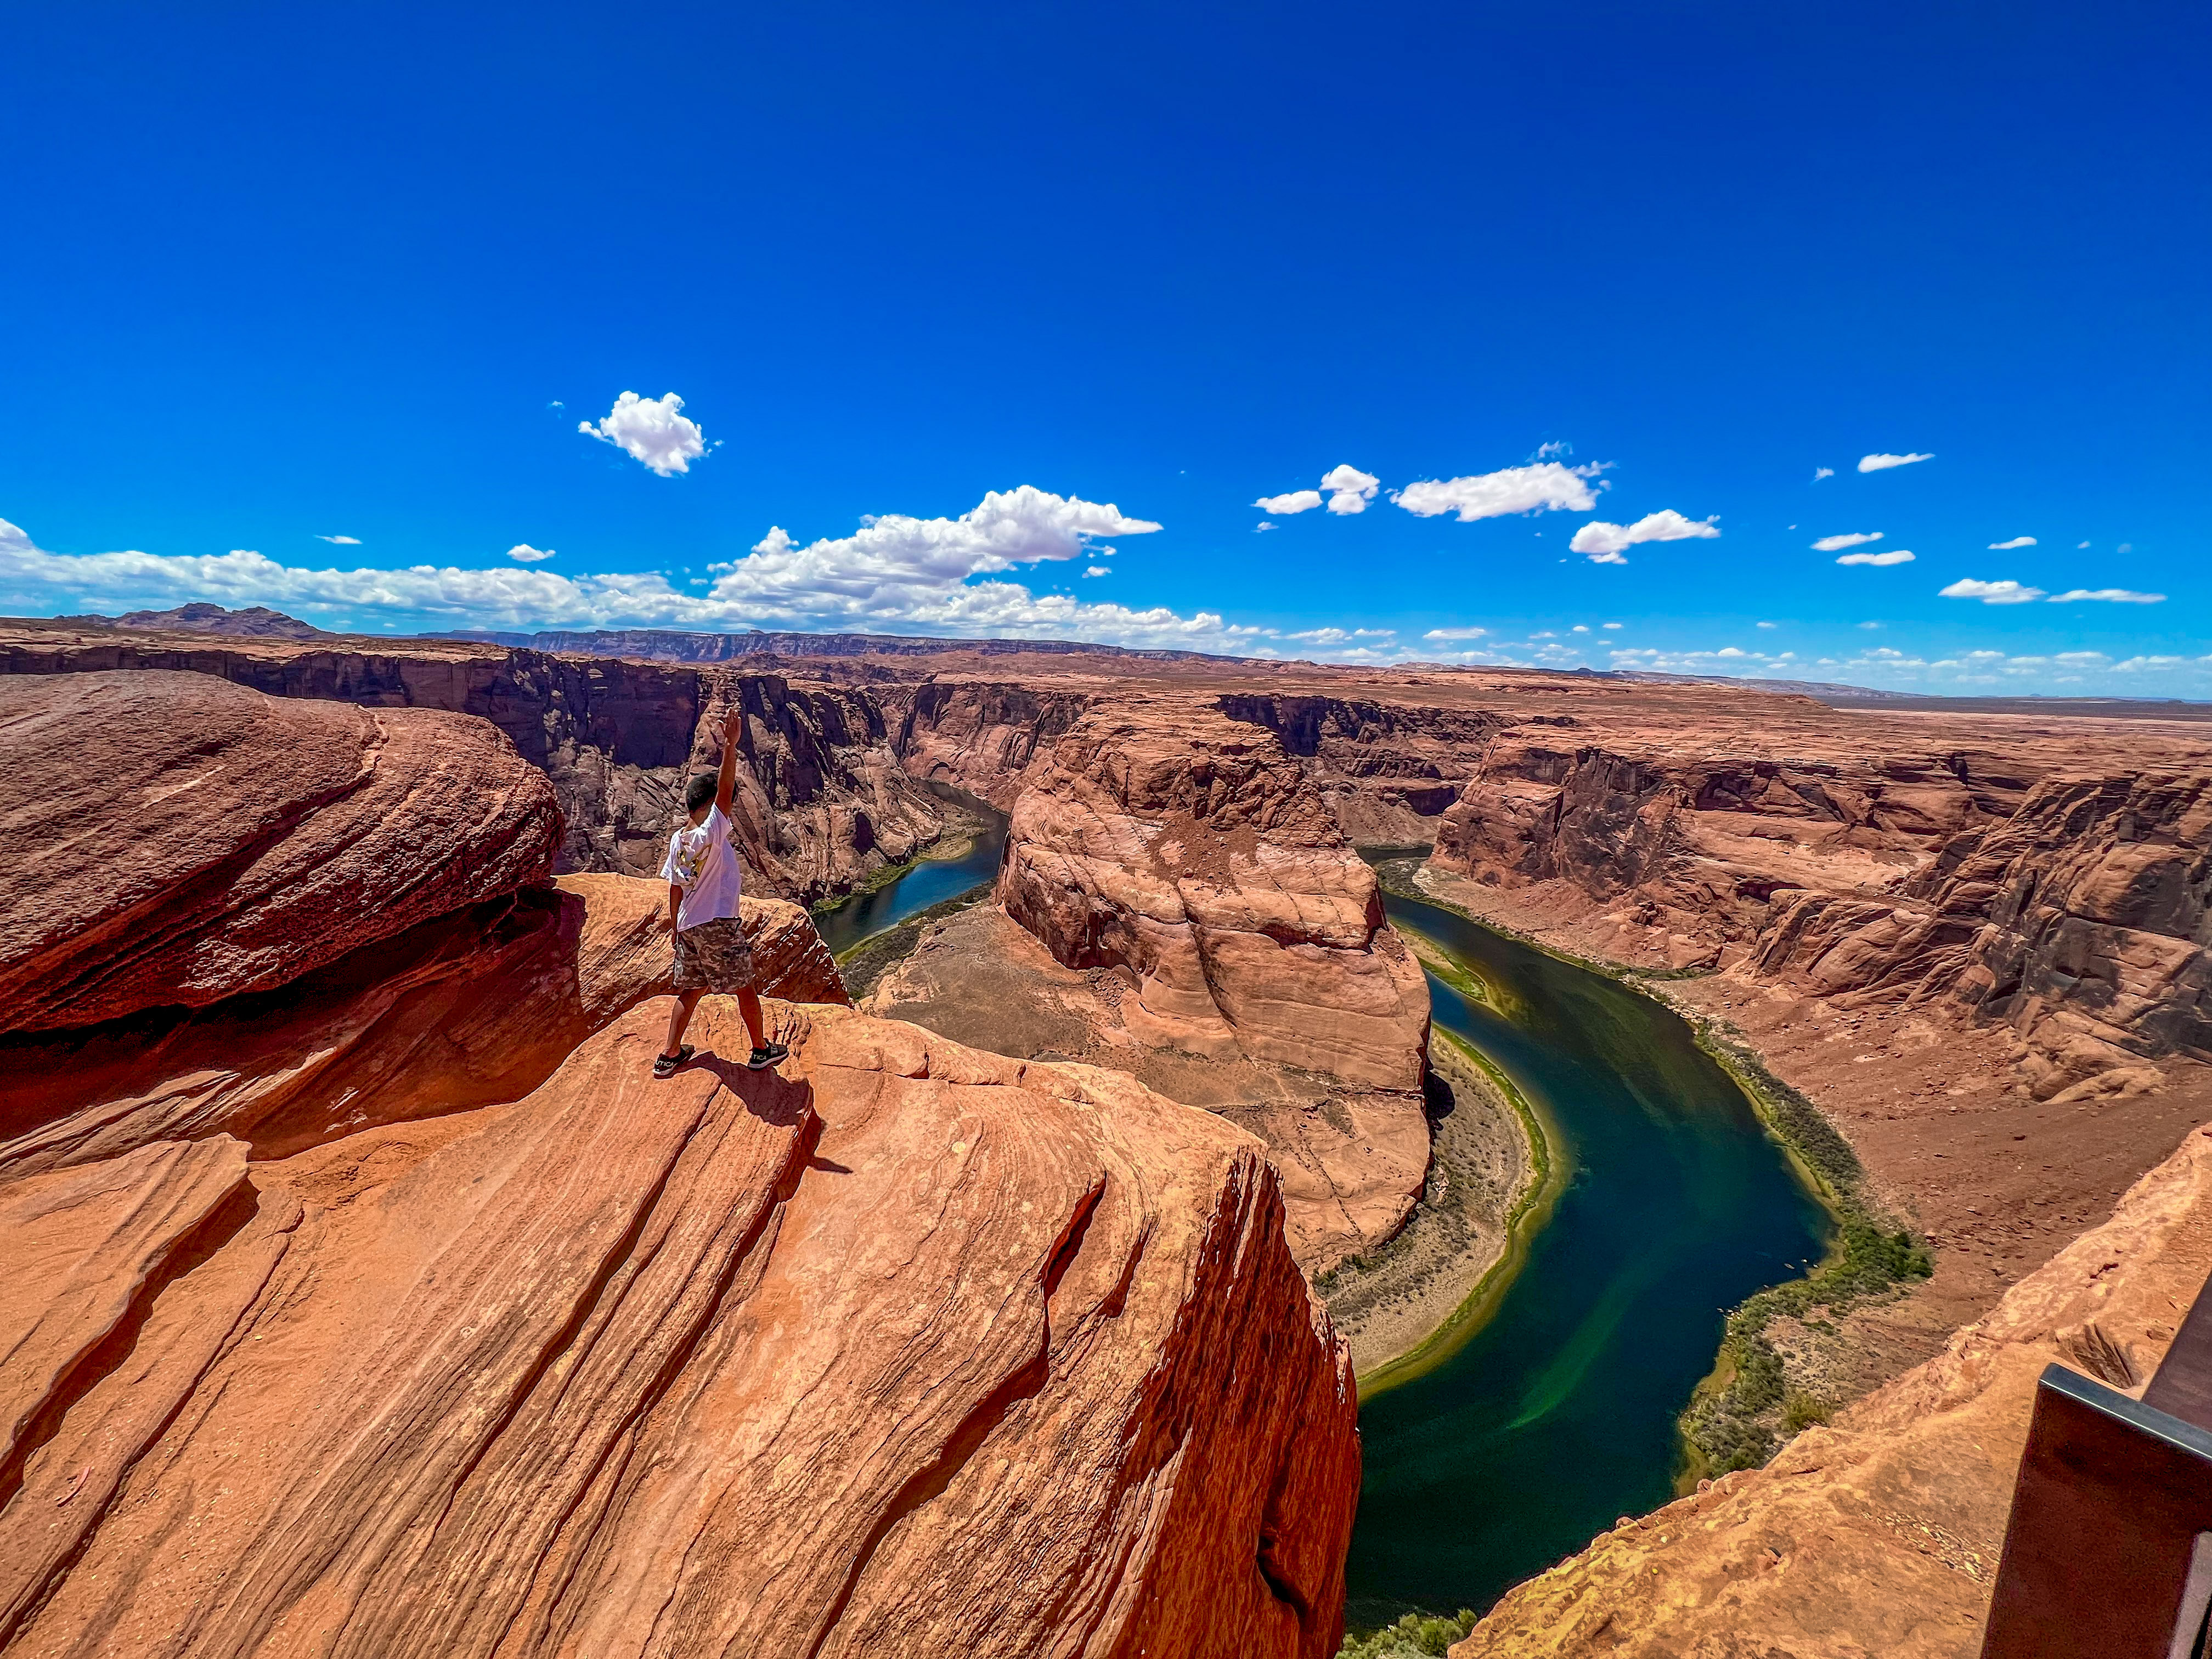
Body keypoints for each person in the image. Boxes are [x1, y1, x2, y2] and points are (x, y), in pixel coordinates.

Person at [654, 707, 790, 1079]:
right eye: (720, 805)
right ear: (709, 805)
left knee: (692, 989)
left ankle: (669, 1054)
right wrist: (731, 746)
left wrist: (676, 928)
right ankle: (761, 1050)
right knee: (744, 987)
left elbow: (675, 886)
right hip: (717, 923)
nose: (727, 808)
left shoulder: (678, 840)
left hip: (690, 926)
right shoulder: (710, 831)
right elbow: (726, 790)